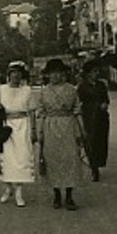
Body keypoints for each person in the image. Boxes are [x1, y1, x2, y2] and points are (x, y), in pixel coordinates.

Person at [38, 58, 89, 210]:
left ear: (63, 74)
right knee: (53, 159)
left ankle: (69, 196)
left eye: (58, 73)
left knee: (70, 159)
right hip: (50, 127)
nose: (55, 76)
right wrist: (40, 132)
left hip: (68, 125)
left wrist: (82, 130)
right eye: (52, 73)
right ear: (48, 75)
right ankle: (57, 195)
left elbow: (77, 110)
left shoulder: (71, 90)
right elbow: (41, 112)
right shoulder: (44, 91)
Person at [0, 60, 38, 207]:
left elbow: (32, 111)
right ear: (8, 74)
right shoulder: (2, 89)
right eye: (13, 72)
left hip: (23, 125)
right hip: (7, 127)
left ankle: (19, 191)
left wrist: (33, 130)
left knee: (22, 157)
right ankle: (8, 188)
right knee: (6, 158)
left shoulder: (27, 90)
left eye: (19, 73)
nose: (16, 76)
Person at [76, 58, 111, 182]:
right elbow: (78, 103)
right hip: (89, 117)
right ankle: (93, 167)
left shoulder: (101, 85)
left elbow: (106, 99)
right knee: (90, 141)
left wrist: (105, 104)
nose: (97, 73)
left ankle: (98, 164)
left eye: (97, 71)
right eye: (94, 71)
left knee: (101, 142)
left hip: (101, 117)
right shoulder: (82, 87)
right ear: (88, 73)